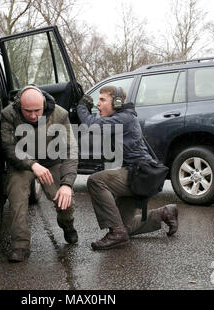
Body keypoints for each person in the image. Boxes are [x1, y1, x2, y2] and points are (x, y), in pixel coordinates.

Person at [76, 86, 179, 250]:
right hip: (137, 175)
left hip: (139, 174)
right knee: (126, 226)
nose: (98, 104)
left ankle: (116, 234)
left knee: (96, 181)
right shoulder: (120, 117)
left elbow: (93, 125)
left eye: (102, 100)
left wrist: (81, 108)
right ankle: (163, 213)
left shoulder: (124, 118)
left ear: (116, 103)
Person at [1, 85, 79, 262]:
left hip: (51, 161)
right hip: (22, 163)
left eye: (37, 110)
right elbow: (9, 147)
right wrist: (32, 164)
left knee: (65, 200)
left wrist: (67, 184)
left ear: (44, 103)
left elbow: (70, 150)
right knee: (17, 198)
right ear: (19, 106)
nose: (34, 115)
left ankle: (67, 224)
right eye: (28, 111)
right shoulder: (8, 114)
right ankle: (20, 245)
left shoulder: (60, 115)